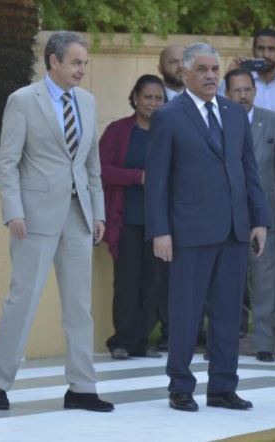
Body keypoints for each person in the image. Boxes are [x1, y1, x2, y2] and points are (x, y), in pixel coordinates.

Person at [0, 31, 114, 412]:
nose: (81, 70)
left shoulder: (88, 103)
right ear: (53, 61)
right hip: (34, 219)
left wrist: (98, 213)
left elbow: (92, 164)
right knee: (21, 301)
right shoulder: (24, 101)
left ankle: (82, 388)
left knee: (80, 306)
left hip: (78, 218)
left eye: (84, 64)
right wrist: (13, 211)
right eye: (75, 62)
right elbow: (8, 161)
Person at [145, 42, 269, 412]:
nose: (211, 75)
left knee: (229, 313)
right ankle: (180, 387)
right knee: (185, 311)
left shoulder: (233, 113)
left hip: (233, 230)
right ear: (185, 73)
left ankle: (222, 387)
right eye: (202, 69)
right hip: (188, 231)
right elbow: (157, 180)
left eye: (215, 69)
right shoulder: (169, 116)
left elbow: (249, 170)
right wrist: (160, 230)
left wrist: (259, 219)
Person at [225, 68, 275, 362]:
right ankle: (222, 341)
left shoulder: (273, 121)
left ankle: (264, 343)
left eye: (247, 90)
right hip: (227, 216)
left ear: (255, 91)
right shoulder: (218, 121)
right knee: (226, 282)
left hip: (264, 216)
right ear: (226, 94)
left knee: (266, 281)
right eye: (237, 90)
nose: (243, 95)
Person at [100, 74, 167, 360]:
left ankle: (142, 341)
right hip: (125, 219)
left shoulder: (168, 131)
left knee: (153, 283)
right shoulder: (118, 130)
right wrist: (137, 177)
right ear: (136, 98)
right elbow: (101, 169)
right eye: (147, 97)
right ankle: (122, 342)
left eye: (158, 98)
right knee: (127, 282)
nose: (152, 102)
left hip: (159, 223)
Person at [156, 44, 184, 351]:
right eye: (172, 62)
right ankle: (169, 331)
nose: (178, 67)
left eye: (182, 62)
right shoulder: (161, 108)